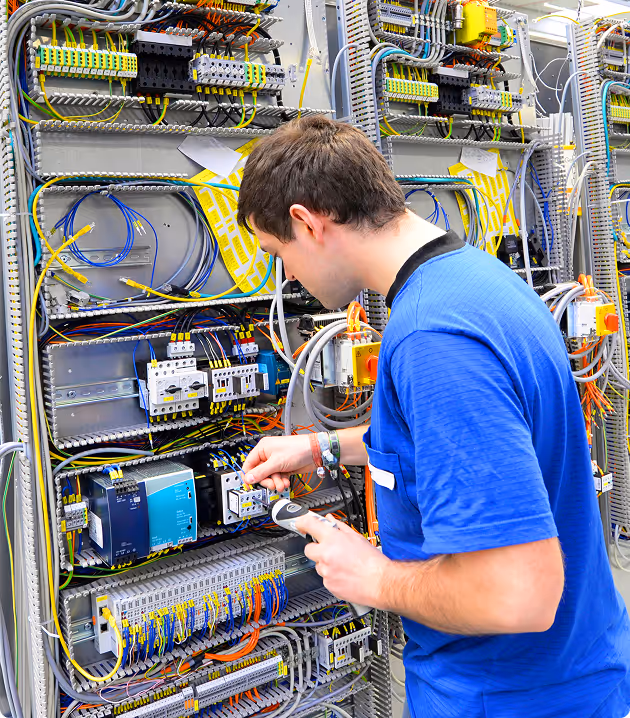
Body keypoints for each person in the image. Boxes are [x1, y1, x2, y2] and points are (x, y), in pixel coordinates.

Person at [236, 115, 630, 718]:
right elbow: (456, 443)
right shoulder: (475, 281)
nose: (288, 276)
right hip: (572, 668)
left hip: (511, 695)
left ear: (307, 222)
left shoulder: (433, 338)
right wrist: (319, 448)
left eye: (278, 254)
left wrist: (373, 578)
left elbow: (520, 595)